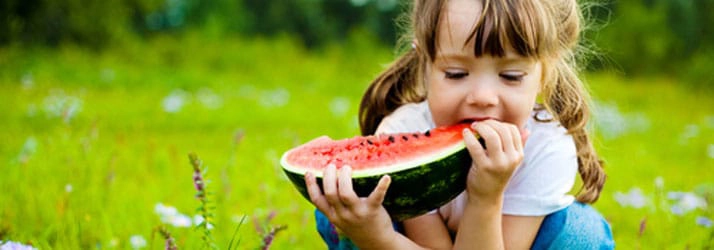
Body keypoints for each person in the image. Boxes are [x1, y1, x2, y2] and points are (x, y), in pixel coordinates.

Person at [304, 0, 615, 248]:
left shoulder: (546, 148)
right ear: (425, 64)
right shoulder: (404, 129)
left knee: (581, 233)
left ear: (544, 74)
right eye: (455, 74)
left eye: (510, 76)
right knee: (345, 206)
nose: (482, 97)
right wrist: (377, 237)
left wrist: (486, 196)